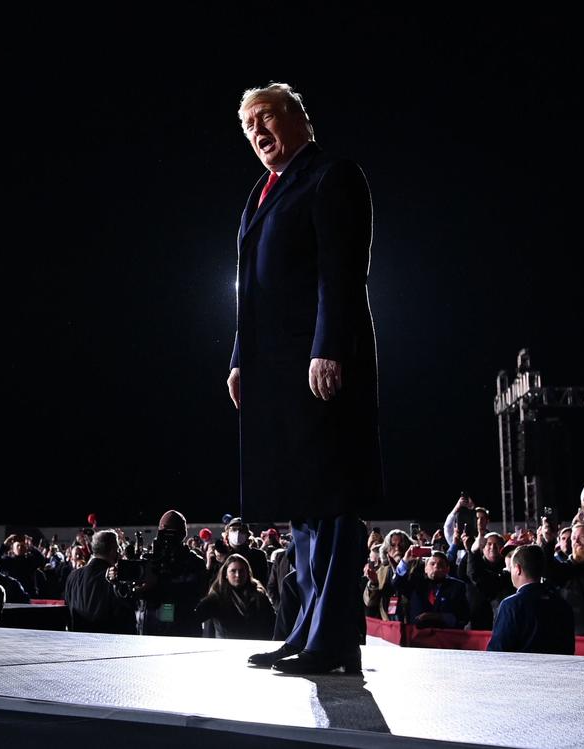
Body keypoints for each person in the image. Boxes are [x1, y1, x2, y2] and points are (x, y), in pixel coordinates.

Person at [228, 83, 382, 675]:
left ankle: (333, 640)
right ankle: (308, 629)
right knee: (302, 505)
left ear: (298, 118)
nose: (257, 132)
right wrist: (241, 357)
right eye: (248, 127)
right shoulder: (260, 194)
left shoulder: (332, 175)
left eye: (265, 118)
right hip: (276, 372)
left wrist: (328, 348)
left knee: (335, 499)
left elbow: (341, 273)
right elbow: (250, 292)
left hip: (320, 364)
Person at [488, 544, 574, 654]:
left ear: (518, 569)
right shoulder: (563, 605)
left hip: (520, 670)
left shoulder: (511, 605)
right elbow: (569, 650)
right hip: (557, 670)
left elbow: (497, 651)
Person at [64, 529, 135, 634]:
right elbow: (126, 614)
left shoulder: (72, 576)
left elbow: (68, 611)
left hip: (77, 642)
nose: (119, 551)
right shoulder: (114, 579)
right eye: (117, 547)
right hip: (107, 644)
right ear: (112, 550)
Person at [196, 554, 276, 639]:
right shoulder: (216, 598)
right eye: (233, 571)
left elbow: (272, 624)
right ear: (225, 574)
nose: (238, 575)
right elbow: (196, 618)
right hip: (225, 648)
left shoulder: (260, 596)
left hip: (255, 647)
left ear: (247, 573)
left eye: (241, 571)